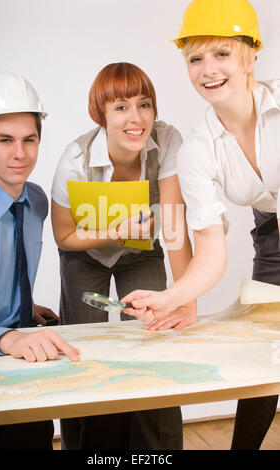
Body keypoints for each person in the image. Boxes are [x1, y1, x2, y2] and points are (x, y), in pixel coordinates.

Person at [122, 0, 279, 451]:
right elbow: (211, 250)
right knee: (267, 355)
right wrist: (173, 296)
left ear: (251, 56)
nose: (208, 69)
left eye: (222, 53)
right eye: (195, 58)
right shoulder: (197, 150)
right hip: (271, 229)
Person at [51, 62, 195, 450]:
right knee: (84, 348)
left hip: (142, 252)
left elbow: (174, 224)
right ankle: (88, 448)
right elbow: (63, 236)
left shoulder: (167, 141)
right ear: (101, 114)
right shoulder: (75, 159)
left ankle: (158, 451)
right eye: (120, 107)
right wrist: (114, 232)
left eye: (144, 104)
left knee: (155, 342)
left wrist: (183, 300)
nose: (136, 118)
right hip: (85, 254)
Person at [0, 71, 79, 450]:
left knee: (35, 435)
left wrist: (22, 306)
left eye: (29, 140)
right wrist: (5, 336)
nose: (19, 154)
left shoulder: (36, 200)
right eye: (5, 140)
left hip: (19, 351)